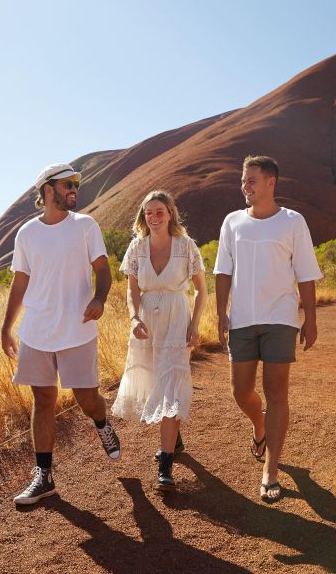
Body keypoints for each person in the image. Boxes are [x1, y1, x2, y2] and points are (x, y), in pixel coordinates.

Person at [1, 162, 121, 506]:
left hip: (77, 328)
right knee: (43, 400)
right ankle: (44, 476)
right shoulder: (26, 233)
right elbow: (19, 280)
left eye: (76, 185)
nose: (74, 190)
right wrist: (7, 327)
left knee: (86, 400)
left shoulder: (85, 226)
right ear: (48, 189)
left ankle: (101, 423)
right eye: (68, 184)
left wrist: (99, 298)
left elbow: (102, 270)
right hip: (36, 331)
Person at [214, 155, 323, 503]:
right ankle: (260, 426)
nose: (245, 187)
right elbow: (222, 271)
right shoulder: (232, 222)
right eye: (243, 181)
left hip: (281, 318)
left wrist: (311, 319)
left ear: (271, 182)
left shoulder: (292, 222)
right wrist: (220, 314)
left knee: (277, 393)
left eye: (251, 181)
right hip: (242, 319)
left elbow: (305, 271)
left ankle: (271, 469)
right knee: (239, 391)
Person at [112, 190, 207, 491]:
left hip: (177, 319)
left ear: (170, 214)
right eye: (148, 213)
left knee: (172, 384)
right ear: (143, 217)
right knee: (156, 381)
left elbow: (202, 291)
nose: (153, 218)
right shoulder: (136, 247)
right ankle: (174, 439)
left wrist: (194, 325)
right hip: (147, 324)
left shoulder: (186, 246)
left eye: (159, 212)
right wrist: (134, 317)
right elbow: (132, 290)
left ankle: (165, 465)